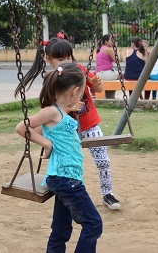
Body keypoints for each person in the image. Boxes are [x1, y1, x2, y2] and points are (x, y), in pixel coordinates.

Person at [15, 37, 122, 210]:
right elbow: (52, 107)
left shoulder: (77, 69)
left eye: (68, 57)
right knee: (69, 162)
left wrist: (96, 84)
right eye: (61, 59)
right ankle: (68, 190)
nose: (66, 62)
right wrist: (70, 107)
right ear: (48, 59)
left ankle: (107, 193)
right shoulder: (53, 77)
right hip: (64, 129)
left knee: (103, 160)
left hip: (89, 124)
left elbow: (99, 89)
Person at [15, 63, 102, 252]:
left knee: (61, 230)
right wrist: (47, 144)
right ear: (75, 91)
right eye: (82, 93)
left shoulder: (61, 113)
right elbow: (22, 128)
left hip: (66, 178)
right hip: (65, 179)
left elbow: (50, 128)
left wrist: (70, 109)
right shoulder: (52, 111)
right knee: (93, 224)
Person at [96, 34, 119, 99]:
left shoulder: (100, 48)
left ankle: (109, 96)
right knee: (121, 75)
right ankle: (111, 96)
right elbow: (117, 60)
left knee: (115, 76)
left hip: (99, 73)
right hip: (106, 74)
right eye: (111, 40)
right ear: (106, 41)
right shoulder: (108, 49)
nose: (112, 42)